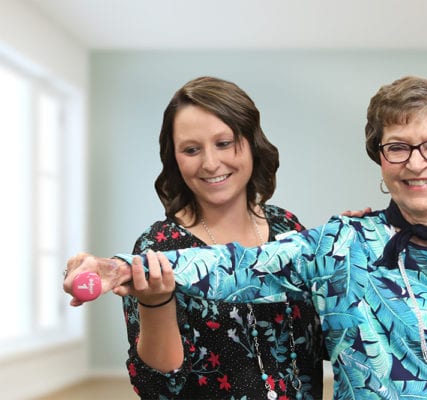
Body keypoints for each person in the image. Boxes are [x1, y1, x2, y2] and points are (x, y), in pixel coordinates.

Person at [65, 76, 427, 399]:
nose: (416, 162)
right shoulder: (339, 243)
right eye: (397, 147)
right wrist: (122, 269)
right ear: (380, 160)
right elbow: (237, 265)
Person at [66, 76, 326, 399]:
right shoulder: (157, 248)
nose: (211, 163)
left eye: (224, 142)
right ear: (174, 157)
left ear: (251, 141)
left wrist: (353, 243)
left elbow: (324, 336)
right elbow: (159, 387)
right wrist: (155, 302)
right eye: (191, 149)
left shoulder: (287, 227)